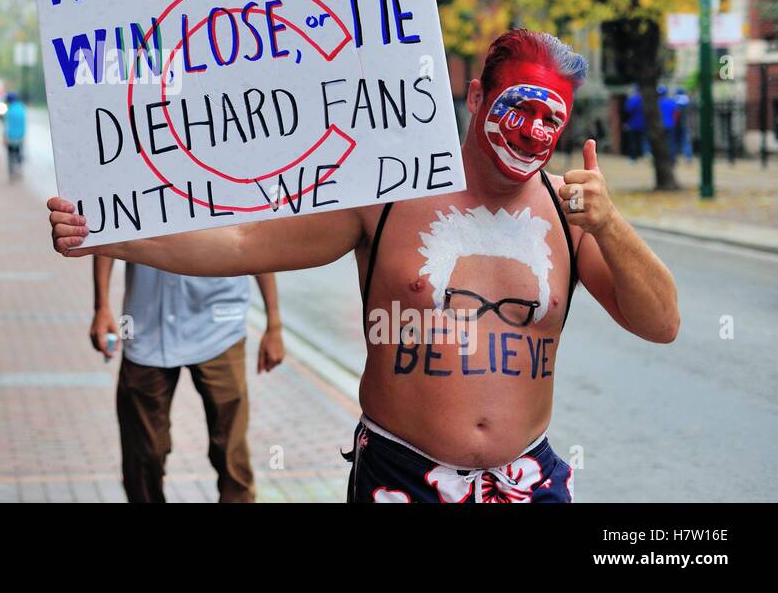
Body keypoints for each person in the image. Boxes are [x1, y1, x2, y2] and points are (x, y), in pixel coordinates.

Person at [47, 29, 679, 503]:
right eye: (522, 107)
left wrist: (611, 224)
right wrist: (107, 234)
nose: (535, 133)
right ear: (478, 94)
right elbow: (241, 243)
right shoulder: (390, 193)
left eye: (553, 118)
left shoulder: (572, 216)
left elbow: (661, 323)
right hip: (401, 479)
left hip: (528, 481)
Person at [92, 257, 283, 502]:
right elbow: (106, 230)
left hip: (220, 326)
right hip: (146, 324)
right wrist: (101, 306)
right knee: (143, 453)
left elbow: (258, 236)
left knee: (231, 450)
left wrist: (274, 324)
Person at [4, 91, 27, 180]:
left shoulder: (9, 110)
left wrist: (5, 137)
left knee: (10, 156)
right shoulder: (22, 109)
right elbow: (24, 124)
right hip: (20, 136)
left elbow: (6, 126)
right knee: (18, 154)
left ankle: (11, 174)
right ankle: (19, 170)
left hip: (10, 137)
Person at [623, 87, 646, 161]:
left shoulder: (633, 99)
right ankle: (640, 155)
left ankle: (633, 157)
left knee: (633, 141)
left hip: (633, 124)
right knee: (640, 141)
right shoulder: (645, 99)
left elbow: (627, 110)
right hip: (642, 124)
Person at [673, 86, 692, 161]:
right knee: (685, 140)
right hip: (685, 122)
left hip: (676, 123)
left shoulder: (675, 99)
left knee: (674, 140)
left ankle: (674, 157)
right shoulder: (686, 99)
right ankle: (688, 157)